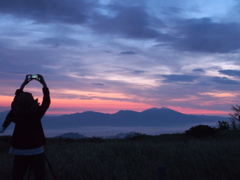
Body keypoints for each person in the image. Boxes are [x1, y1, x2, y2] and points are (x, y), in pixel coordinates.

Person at [0, 74, 51, 180]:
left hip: (19, 151)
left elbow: (15, 102)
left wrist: (23, 84)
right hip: (37, 151)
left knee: (17, 176)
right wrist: (43, 83)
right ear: (32, 101)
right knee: (40, 176)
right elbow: (46, 101)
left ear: (19, 102)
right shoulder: (36, 113)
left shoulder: (15, 112)